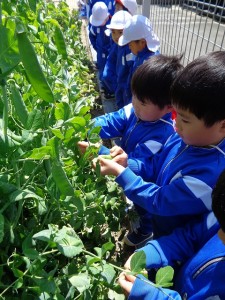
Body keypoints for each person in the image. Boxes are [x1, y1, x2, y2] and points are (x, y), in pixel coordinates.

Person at [94, 51, 225, 246]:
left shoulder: (207, 175)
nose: (176, 124)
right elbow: (155, 164)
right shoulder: (186, 137)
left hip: (174, 242)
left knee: (161, 267)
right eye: (175, 115)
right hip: (160, 220)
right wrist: (126, 162)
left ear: (222, 125)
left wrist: (121, 172)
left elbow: (160, 201)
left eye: (185, 119)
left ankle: (146, 234)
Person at [78, 54, 183, 243]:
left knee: (144, 208)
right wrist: (85, 127)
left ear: (168, 108)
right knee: (133, 199)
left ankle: (144, 231)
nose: (134, 102)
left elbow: (141, 165)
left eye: (142, 102)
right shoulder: (134, 109)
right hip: (126, 163)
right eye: (134, 95)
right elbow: (112, 120)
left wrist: (98, 151)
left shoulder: (163, 133)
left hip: (146, 181)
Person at [118, 168, 225, 299]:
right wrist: (150, 253)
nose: (219, 235)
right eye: (221, 226)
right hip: (178, 278)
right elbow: (190, 237)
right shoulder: (220, 219)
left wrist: (154, 297)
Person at [118, 14, 160, 105]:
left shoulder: (147, 65)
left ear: (142, 42)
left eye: (130, 44)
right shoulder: (140, 55)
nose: (129, 47)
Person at [101, 10, 135, 106]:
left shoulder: (131, 49)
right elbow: (111, 61)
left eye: (120, 32)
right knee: (120, 102)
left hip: (127, 88)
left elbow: (132, 71)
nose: (116, 36)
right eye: (113, 32)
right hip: (119, 83)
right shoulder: (117, 46)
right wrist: (108, 76)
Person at [89, 2, 112, 82]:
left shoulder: (112, 25)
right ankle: (102, 85)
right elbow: (92, 36)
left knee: (108, 72)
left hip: (109, 55)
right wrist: (96, 47)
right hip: (100, 53)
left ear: (106, 17)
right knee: (101, 68)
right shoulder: (95, 27)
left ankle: (107, 88)